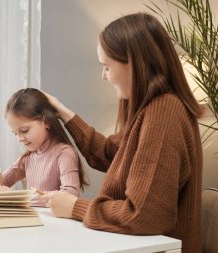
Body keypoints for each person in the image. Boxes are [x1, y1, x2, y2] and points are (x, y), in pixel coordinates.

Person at [40, 12, 203, 253]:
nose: (103, 75)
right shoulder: (151, 110)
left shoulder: (164, 112)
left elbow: (145, 215)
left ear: (134, 63)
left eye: (106, 66)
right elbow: (110, 154)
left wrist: (76, 207)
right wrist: (63, 112)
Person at [0, 88, 89, 206]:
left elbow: (70, 194)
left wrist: (18, 197)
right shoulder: (28, 158)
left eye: (24, 130)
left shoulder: (64, 153)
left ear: (46, 122)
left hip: (56, 222)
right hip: (35, 220)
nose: (19, 138)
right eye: (15, 133)